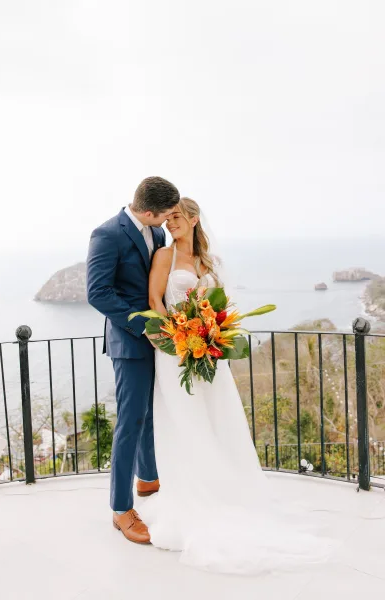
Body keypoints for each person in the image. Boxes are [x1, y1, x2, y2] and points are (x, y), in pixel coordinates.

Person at [139, 197, 333, 574]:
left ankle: (227, 494)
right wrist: (177, 337)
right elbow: (154, 301)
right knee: (184, 424)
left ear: (194, 219)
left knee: (217, 421)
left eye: (177, 217)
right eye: (168, 218)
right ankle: (194, 497)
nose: (171, 223)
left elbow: (221, 306)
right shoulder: (163, 256)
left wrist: (214, 335)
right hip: (175, 354)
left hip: (208, 354)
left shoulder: (211, 263)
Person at [86, 176, 179, 544]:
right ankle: (121, 509)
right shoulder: (107, 234)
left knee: (151, 413)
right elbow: (97, 293)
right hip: (129, 344)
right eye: (166, 215)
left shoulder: (155, 234)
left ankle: (148, 478)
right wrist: (143, 327)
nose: (169, 223)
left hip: (160, 341)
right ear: (150, 211)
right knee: (130, 421)